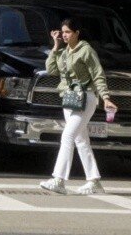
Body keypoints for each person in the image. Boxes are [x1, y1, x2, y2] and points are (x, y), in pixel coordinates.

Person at [39, 16, 118, 195]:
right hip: (70, 99)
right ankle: (94, 181)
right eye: (63, 32)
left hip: (86, 98)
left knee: (67, 136)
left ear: (77, 33)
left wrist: (105, 97)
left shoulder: (86, 50)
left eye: (68, 32)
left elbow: (98, 74)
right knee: (81, 141)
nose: (64, 35)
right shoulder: (65, 52)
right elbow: (52, 69)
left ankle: (58, 180)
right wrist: (55, 46)